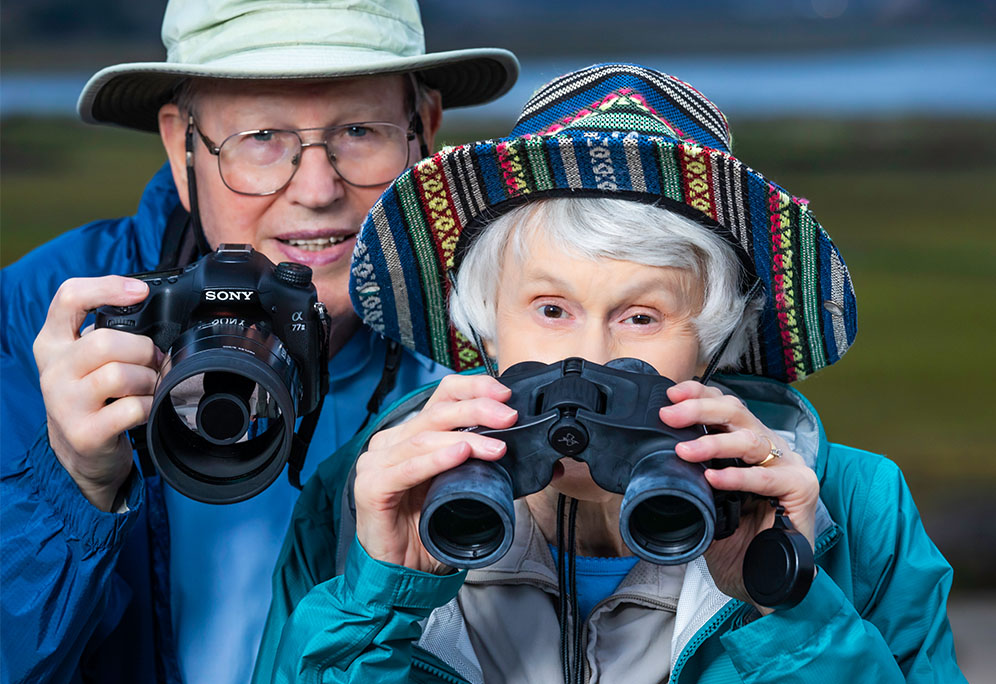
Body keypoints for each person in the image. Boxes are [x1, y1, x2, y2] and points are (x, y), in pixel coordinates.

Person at [253, 63, 966, 683]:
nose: (587, 362)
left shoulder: (856, 504)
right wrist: (381, 598)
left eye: (641, 318)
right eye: (551, 308)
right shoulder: (365, 494)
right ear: (485, 327)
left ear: (712, 348)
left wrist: (782, 601)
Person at [0, 1, 517, 682]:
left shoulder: (503, 323)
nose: (317, 188)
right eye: (261, 137)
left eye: (360, 131)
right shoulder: (43, 318)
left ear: (423, 131)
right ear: (181, 148)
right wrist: (71, 485)